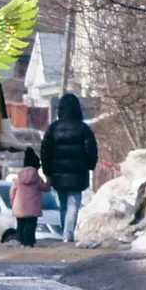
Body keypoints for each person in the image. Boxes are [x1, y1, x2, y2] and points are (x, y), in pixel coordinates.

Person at [40, 92, 99, 242]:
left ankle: (66, 233)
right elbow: (91, 149)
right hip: (78, 173)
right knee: (74, 204)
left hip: (58, 173)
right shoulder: (83, 128)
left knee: (63, 205)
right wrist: (90, 165)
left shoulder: (53, 128)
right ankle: (68, 234)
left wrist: (47, 171)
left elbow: (45, 151)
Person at [10, 147, 50, 247]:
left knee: (20, 224)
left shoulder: (18, 178)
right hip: (32, 208)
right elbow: (46, 188)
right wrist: (49, 179)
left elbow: (12, 191)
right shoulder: (37, 178)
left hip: (19, 207)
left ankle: (20, 241)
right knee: (30, 225)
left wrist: (13, 202)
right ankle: (29, 242)